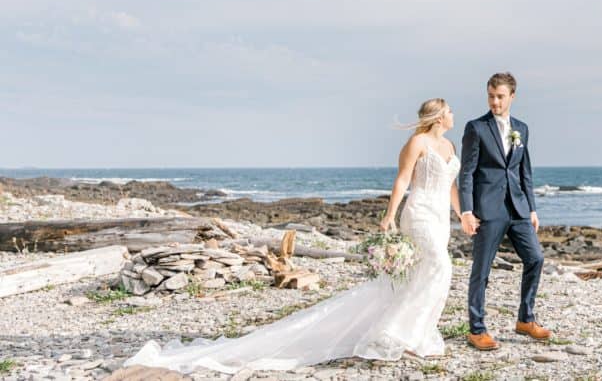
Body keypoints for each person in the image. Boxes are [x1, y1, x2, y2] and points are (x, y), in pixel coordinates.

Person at [123, 99, 461, 374]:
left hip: (440, 218)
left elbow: (451, 186)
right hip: (417, 215)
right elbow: (402, 181)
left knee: (420, 275)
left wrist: (464, 215)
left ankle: (415, 334)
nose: (453, 115)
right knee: (439, 266)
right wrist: (389, 215)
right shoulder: (417, 142)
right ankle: (395, 332)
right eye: (449, 111)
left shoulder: (448, 145)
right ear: (439, 115)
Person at [458, 72, 550, 350]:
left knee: (536, 258)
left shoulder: (521, 128)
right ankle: (477, 329)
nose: (495, 101)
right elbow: (467, 173)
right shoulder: (476, 128)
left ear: (512, 96)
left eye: (500, 96)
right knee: (481, 270)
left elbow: (525, 171)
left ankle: (526, 319)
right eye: (491, 96)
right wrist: (466, 211)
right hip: (488, 209)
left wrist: (532, 208)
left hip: (519, 208)